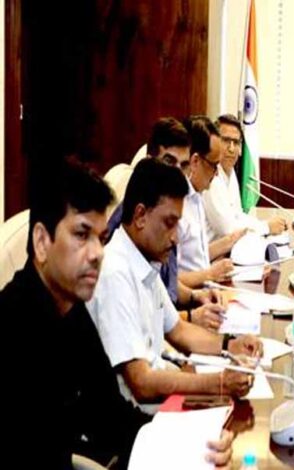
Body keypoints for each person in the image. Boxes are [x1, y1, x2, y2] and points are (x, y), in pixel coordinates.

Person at [1, 159, 233, 468]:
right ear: (42, 242)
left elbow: (111, 417)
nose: (97, 253)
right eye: (81, 235)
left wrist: (197, 445)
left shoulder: (71, 310)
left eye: (100, 238)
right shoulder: (12, 325)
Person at [87, 159, 262, 415]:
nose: (176, 237)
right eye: (169, 223)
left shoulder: (144, 260)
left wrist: (230, 345)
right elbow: (141, 382)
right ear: (140, 216)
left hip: (160, 402)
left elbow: (178, 330)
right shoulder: (115, 273)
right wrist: (219, 383)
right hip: (138, 418)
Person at [107, 117, 224, 331]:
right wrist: (191, 316)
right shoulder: (135, 221)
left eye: (184, 166)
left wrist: (196, 296)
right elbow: (146, 319)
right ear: (149, 161)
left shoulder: (173, 207)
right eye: (169, 162)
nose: (176, 173)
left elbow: (164, 284)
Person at [178, 116, 248, 287]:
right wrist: (209, 274)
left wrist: (229, 241)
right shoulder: (176, 205)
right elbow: (168, 280)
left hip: (204, 287)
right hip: (190, 294)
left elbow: (197, 256)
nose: (217, 173)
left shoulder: (196, 197)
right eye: (213, 166)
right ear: (195, 161)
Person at [202, 113, 287, 239]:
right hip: (212, 249)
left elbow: (238, 215)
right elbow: (227, 229)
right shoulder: (210, 176)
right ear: (214, 142)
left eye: (236, 142)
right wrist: (266, 227)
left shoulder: (230, 171)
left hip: (230, 246)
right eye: (226, 140)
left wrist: (265, 224)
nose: (231, 149)